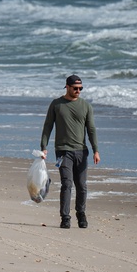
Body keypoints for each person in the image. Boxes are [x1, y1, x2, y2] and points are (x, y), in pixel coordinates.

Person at [41, 74, 99, 229]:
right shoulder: (56, 104)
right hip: (63, 151)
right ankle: (65, 217)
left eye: (80, 88)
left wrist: (96, 150)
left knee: (81, 185)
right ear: (67, 87)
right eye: (75, 88)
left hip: (81, 151)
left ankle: (81, 214)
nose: (78, 91)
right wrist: (43, 147)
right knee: (66, 183)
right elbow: (48, 126)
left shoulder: (86, 106)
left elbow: (91, 129)